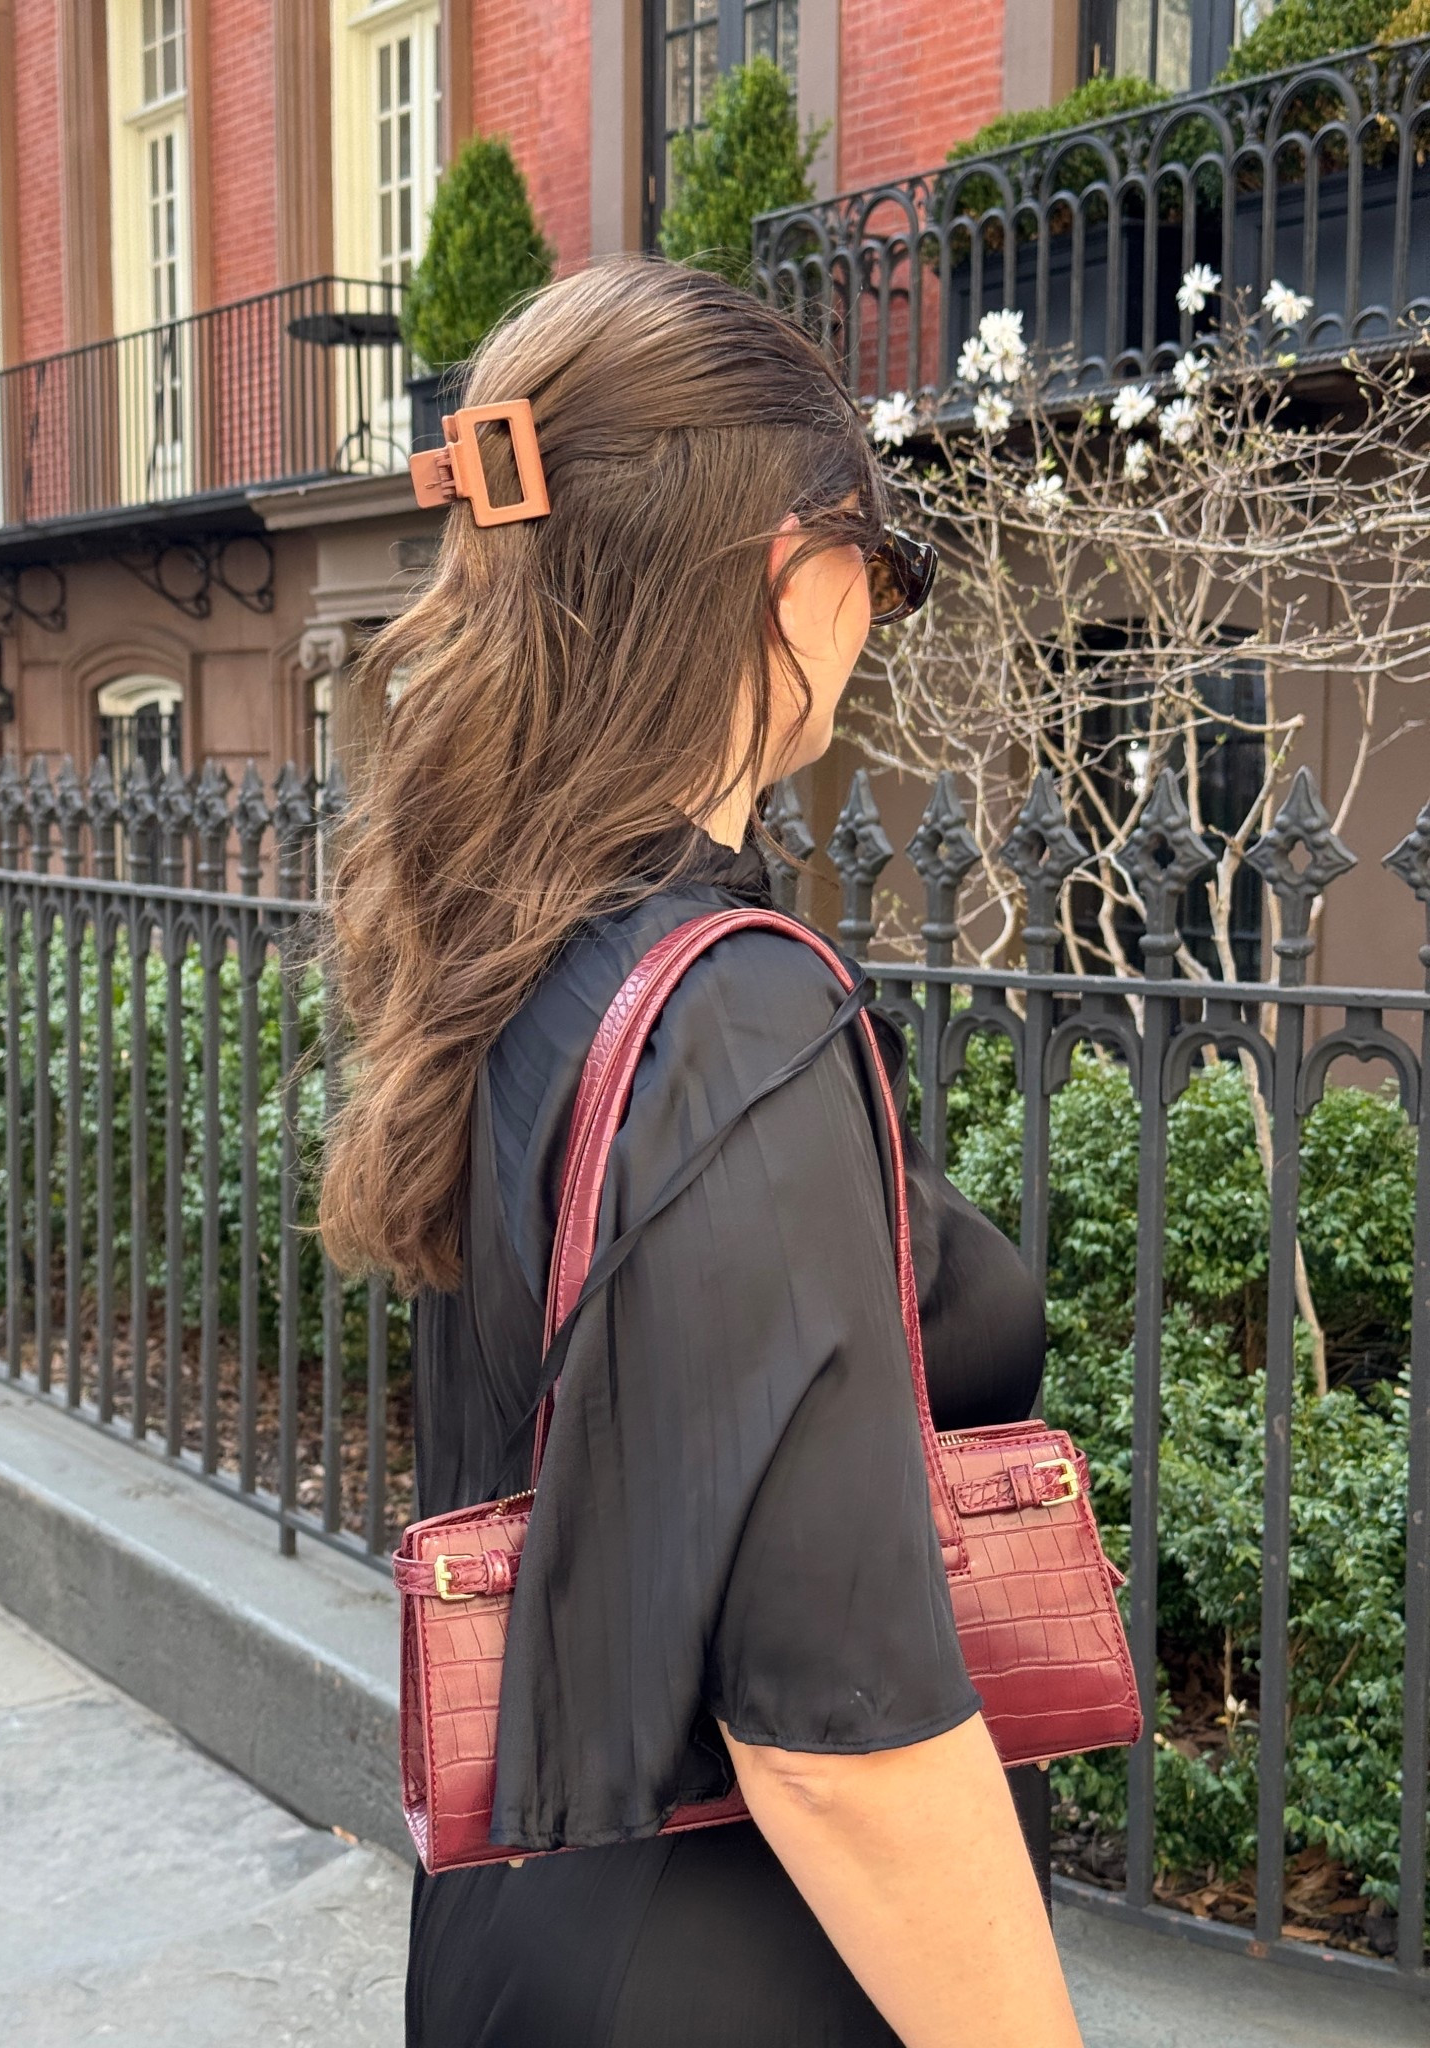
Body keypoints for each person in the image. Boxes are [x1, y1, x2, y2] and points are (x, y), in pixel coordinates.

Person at [320, 254, 1083, 2048]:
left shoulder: (519, 943)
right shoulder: (729, 1010)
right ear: (789, 571)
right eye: (885, 567)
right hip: (744, 1969)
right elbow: (843, 1743)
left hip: (526, 1926)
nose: (876, 619)